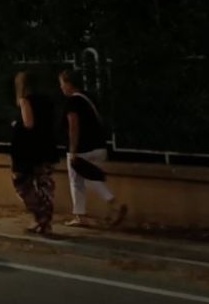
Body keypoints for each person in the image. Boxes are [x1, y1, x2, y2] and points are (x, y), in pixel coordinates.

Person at [60, 68, 126, 227]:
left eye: (62, 84)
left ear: (69, 84)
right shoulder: (90, 98)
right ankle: (81, 215)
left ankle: (112, 204)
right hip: (99, 146)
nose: (61, 88)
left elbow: (73, 127)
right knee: (90, 178)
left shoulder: (72, 102)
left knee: (79, 181)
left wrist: (73, 149)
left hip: (83, 147)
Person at [10, 71, 60, 235]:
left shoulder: (25, 101)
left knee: (22, 184)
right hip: (47, 146)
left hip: (29, 150)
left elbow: (28, 123)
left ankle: (40, 217)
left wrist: (15, 125)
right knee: (45, 184)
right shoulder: (47, 100)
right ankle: (45, 222)